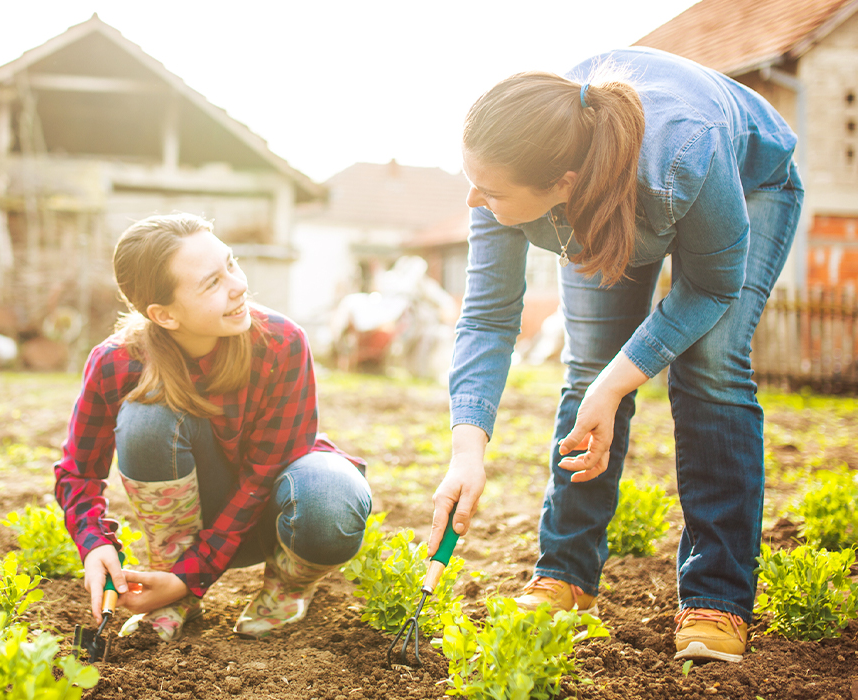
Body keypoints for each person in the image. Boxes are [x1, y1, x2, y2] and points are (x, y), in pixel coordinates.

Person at [428, 47, 802, 663]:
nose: (473, 200)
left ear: (562, 185)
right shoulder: (507, 177)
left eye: (488, 190)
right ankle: (567, 576)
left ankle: (717, 597)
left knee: (710, 367)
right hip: (607, 189)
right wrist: (467, 451)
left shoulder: (685, 154)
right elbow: (489, 317)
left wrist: (616, 385)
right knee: (590, 363)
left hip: (747, 179)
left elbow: (710, 287)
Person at [54, 213, 372, 642]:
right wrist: (95, 545)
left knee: (332, 498)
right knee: (146, 417)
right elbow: (79, 472)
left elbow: (262, 478)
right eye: (212, 283)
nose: (238, 284)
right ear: (164, 315)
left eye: (231, 264)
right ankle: (171, 590)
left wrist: (192, 576)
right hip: (191, 524)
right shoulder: (117, 362)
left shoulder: (281, 343)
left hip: (274, 517)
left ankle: (286, 588)